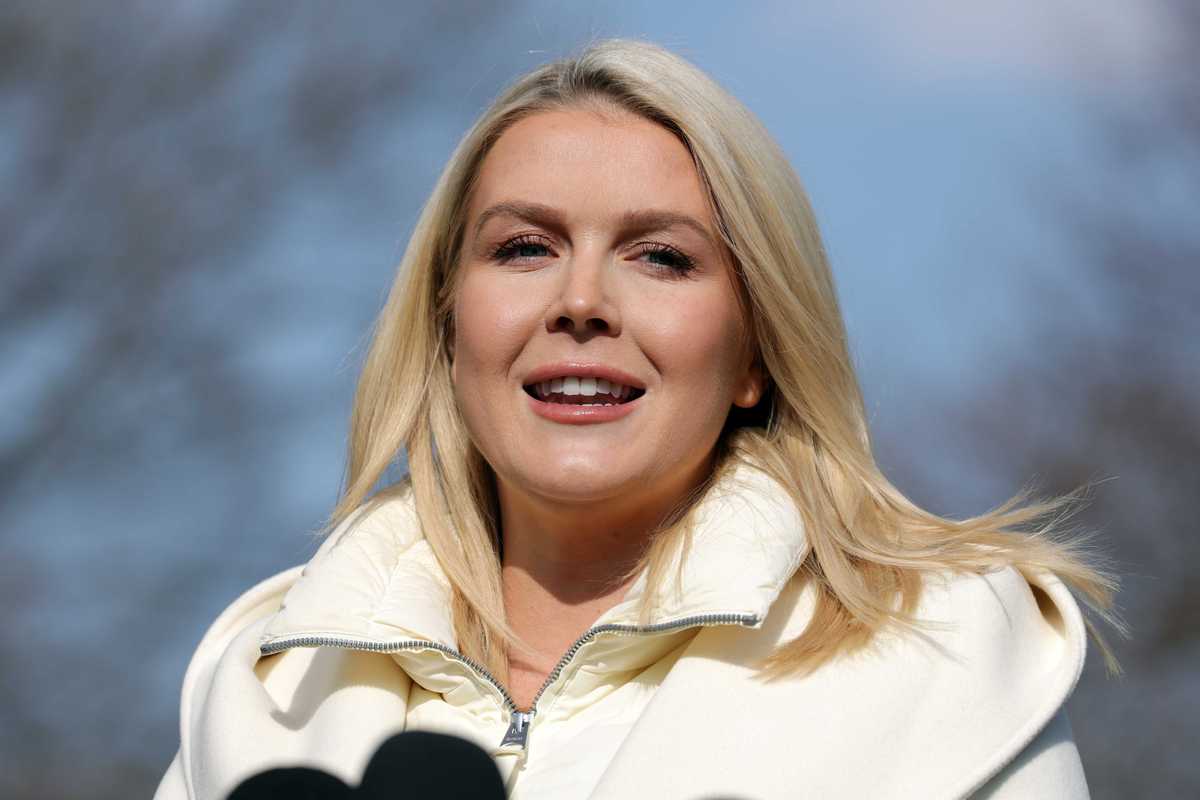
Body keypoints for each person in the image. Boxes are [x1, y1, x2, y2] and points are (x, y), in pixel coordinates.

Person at [155, 39, 1120, 799]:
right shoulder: (266, 680)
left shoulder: (942, 658)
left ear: (755, 351)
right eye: (525, 247)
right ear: (449, 323)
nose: (582, 301)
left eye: (660, 257)